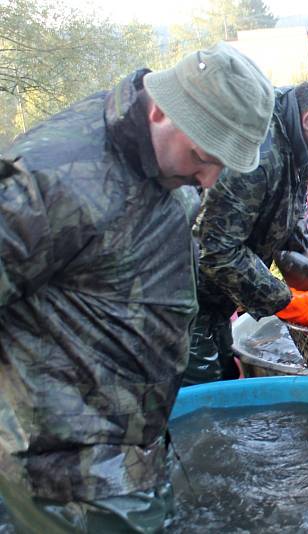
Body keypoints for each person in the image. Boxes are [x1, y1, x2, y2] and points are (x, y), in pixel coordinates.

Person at [0, 42, 273, 532]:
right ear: (162, 108)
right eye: (201, 156)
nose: (208, 181)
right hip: (68, 476)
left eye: (222, 165)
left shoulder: (159, 162)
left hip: (133, 450)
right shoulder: (47, 179)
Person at [187, 69, 308, 385]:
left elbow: (292, 222)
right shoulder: (256, 154)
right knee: (206, 400)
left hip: (218, 300)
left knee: (230, 381)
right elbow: (217, 251)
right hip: (180, 301)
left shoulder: (297, 136)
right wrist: (284, 301)